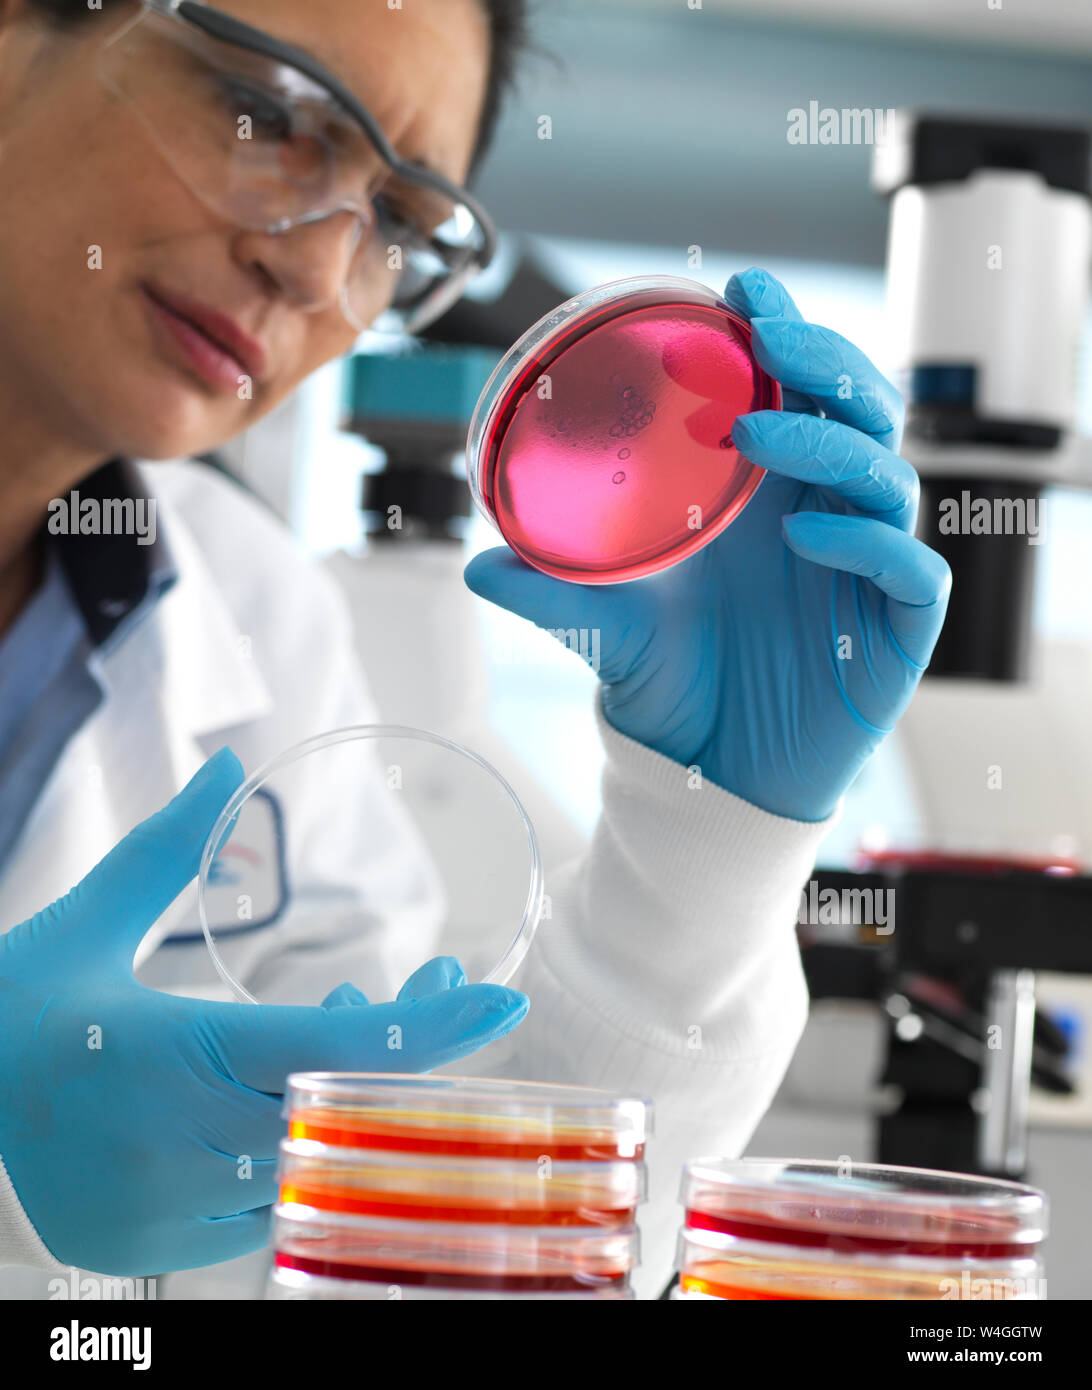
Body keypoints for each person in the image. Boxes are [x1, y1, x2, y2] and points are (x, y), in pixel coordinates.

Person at [0, 0, 950, 1295]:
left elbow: (444, 1224)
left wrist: (707, 844)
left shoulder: (261, 622)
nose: (322, 274)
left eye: (395, 222)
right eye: (264, 116)